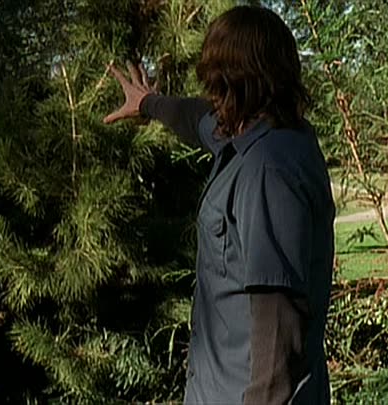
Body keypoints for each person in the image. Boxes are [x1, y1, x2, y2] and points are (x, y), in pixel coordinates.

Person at [104, 5, 335, 405]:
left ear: (234, 80)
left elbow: (279, 328)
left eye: (215, 75)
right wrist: (149, 103)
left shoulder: (268, 170)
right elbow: (196, 119)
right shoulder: (256, 135)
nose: (210, 89)